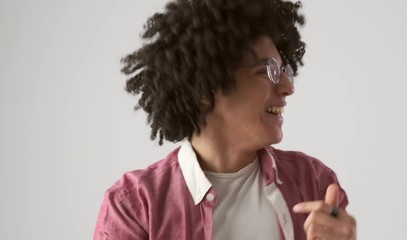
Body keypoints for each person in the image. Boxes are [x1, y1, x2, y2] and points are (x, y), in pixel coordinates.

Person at [94, 0, 356, 239]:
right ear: (206, 89)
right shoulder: (134, 207)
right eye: (269, 71)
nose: (288, 86)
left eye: (284, 70)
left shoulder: (315, 183)